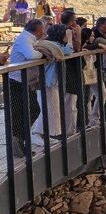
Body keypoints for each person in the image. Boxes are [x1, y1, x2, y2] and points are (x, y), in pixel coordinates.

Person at [30, 24, 75, 148]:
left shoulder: (55, 45)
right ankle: (35, 133)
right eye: (66, 34)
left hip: (51, 82)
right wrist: (70, 40)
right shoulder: (52, 46)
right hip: (47, 82)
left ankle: (44, 134)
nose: (67, 36)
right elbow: (68, 51)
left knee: (52, 109)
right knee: (48, 109)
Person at [9, 19, 45, 156]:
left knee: (30, 109)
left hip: (23, 81)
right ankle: (18, 141)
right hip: (18, 81)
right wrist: (41, 54)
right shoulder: (25, 39)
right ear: (39, 30)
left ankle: (19, 140)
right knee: (24, 111)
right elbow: (31, 55)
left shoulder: (28, 39)